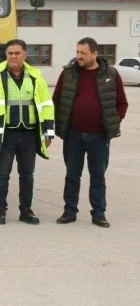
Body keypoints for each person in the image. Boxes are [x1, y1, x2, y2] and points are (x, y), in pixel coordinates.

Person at [52, 37, 129, 228]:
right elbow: (56, 100)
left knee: (98, 176)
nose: (78, 56)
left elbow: (122, 103)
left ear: (94, 54)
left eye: (83, 53)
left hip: (99, 137)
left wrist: (113, 121)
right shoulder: (68, 73)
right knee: (72, 175)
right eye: (77, 52)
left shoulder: (110, 74)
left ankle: (99, 213)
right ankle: (69, 211)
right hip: (73, 135)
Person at [0, 39, 55, 225]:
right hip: (5, 133)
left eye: (17, 53)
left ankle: (26, 211)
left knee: (27, 175)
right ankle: (0, 211)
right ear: (6, 55)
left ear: (25, 55)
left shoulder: (36, 76)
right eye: (10, 53)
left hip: (29, 133)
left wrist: (48, 132)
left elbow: (46, 104)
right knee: (2, 174)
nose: (13, 56)